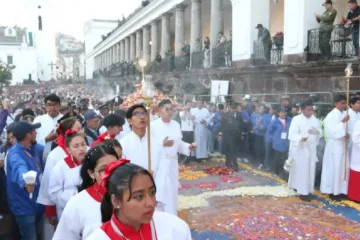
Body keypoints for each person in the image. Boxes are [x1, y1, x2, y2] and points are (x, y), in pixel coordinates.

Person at [86, 161, 192, 240]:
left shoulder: (174, 227)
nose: (151, 203)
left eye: (152, 193)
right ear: (116, 201)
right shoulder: (100, 237)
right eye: (139, 197)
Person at [53, 144, 120, 240]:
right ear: (91, 173)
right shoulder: (78, 203)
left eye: (115, 167)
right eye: (103, 169)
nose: (111, 173)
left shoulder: (132, 195)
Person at [37, 117, 83, 231]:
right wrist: (50, 210)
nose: (82, 131)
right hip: (65, 207)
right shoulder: (55, 155)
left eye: (81, 128)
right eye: (78, 129)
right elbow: (48, 184)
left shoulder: (86, 150)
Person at [151, 99, 196, 215]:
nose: (169, 112)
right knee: (160, 191)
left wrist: (188, 147)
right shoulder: (153, 126)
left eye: (171, 109)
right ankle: (160, 216)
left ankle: (171, 215)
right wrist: (162, 143)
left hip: (172, 163)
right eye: (167, 109)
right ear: (160, 110)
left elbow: (178, 143)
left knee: (172, 191)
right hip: (160, 164)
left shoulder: (175, 124)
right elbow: (148, 144)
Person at [120, 104, 167, 210]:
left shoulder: (156, 144)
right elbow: (121, 171)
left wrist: (157, 196)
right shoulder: (123, 144)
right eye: (137, 114)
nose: (142, 117)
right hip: (133, 193)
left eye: (144, 113)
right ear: (129, 121)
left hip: (153, 193)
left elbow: (163, 172)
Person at [6, 121, 44, 240]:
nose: (36, 133)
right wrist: (26, 180)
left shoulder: (30, 149)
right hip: (24, 206)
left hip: (35, 204)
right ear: (28, 135)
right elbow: (19, 168)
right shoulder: (15, 154)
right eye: (34, 131)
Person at [48, 130, 87, 218]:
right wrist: (77, 193)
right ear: (68, 150)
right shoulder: (60, 167)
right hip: (69, 213)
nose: (81, 148)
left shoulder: (92, 163)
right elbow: (54, 194)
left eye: (83, 144)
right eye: (76, 146)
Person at [288, 101, 321, 201]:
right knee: (301, 170)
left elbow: (320, 132)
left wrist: (317, 132)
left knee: (310, 170)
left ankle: (308, 189)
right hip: (300, 148)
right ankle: (302, 191)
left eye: (312, 110)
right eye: (308, 110)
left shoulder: (315, 120)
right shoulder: (296, 119)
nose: (310, 112)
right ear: (302, 110)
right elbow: (292, 134)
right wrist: (300, 138)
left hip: (311, 148)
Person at [321, 94, 350, 201]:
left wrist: (347, 134)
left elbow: (346, 129)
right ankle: (333, 191)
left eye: (345, 103)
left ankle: (342, 190)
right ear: (336, 103)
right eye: (342, 103)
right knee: (335, 168)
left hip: (342, 144)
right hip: (335, 145)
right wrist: (343, 123)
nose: (344, 105)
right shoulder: (331, 115)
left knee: (343, 168)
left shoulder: (344, 114)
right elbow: (331, 132)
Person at [33, 94, 63, 161]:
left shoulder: (65, 119)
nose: (52, 107)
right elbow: (33, 141)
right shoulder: (38, 120)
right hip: (42, 155)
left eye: (55, 104)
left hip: (62, 156)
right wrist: (46, 139)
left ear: (59, 106)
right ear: (45, 106)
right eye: (49, 105)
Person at [266, 107, 292, 176]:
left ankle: (282, 171)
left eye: (285, 112)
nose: (284, 114)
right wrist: (273, 138)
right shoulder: (275, 121)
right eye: (282, 112)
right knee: (277, 158)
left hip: (286, 142)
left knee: (284, 158)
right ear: (278, 113)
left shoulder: (289, 120)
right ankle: (275, 171)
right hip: (277, 143)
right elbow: (269, 130)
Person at [220, 102, 245, 171]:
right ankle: (230, 164)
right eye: (232, 108)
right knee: (229, 150)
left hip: (236, 135)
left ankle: (232, 164)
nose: (233, 110)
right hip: (228, 135)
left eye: (235, 108)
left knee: (234, 150)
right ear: (229, 108)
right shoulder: (225, 115)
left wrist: (241, 134)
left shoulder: (239, 114)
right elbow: (222, 125)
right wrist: (222, 134)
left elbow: (241, 125)